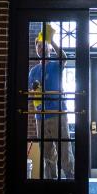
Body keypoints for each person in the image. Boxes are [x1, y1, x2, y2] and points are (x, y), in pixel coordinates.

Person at [27, 24, 75, 179]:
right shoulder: (33, 71)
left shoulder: (56, 65)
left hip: (57, 114)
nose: (40, 49)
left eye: (43, 46)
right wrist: (34, 92)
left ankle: (70, 182)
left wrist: (52, 40)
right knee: (47, 153)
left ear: (48, 48)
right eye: (38, 47)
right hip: (41, 117)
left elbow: (64, 57)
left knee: (64, 150)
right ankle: (51, 184)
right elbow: (30, 95)